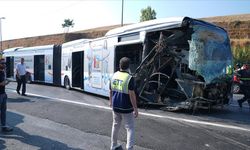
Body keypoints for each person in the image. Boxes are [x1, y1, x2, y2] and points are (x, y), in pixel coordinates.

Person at [109, 57, 138, 150]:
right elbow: (132, 95)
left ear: (119, 65)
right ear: (128, 66)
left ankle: (113, 145)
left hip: (115, 106)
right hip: (126, 108)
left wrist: (111, 102)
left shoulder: (113, 75)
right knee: (130, 128)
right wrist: (135, 109)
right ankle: (129, 148)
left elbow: (110, 90)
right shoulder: (129, 78)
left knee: (115, 125)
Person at [0, 60, 13, 132]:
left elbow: (3, 83)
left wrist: (6, 81)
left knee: (3, 111)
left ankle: (4, 126)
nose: (4, 64)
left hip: (3, 94)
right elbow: (1, 83)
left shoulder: (2, 72)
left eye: (5, 63)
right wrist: (7, 81)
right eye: (2, 63)